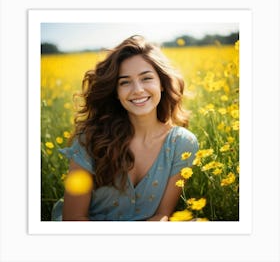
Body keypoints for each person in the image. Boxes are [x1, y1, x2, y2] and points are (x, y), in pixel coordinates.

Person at [52, 35, 198, 221]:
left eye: (146, 78)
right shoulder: (90, 139)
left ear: (161, 84)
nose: (137, 90)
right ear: (116, 92)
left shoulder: (182, 144)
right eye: (125, 82)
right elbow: (73, 220)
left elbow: (162, 215)